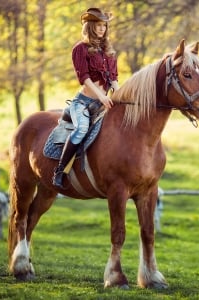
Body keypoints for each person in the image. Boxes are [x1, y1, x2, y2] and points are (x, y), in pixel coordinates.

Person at [53, 7, 119, 188]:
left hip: (102, 103)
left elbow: (113, 79)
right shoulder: (80, 49)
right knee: (81, 129)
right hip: (83, 103)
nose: (101, 29)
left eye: (104, 26)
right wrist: (101, 96)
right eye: (98, 25)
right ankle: (60, 170)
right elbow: (85, 79)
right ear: (90, 26)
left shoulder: (109, 52)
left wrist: (119, 95)